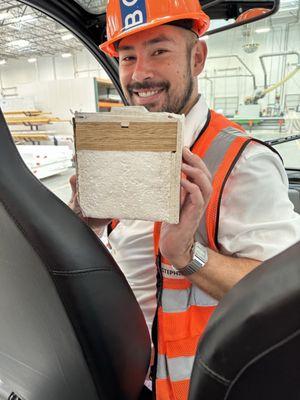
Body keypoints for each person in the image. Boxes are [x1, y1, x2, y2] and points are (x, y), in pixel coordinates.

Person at [69, 1, 300, 398]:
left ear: (197, 57)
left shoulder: (244, 162)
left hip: (195, 387)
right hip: (128, 376)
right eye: (128, 57)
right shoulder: (125, 145)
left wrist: (186, 255)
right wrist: (83, 221)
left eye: (159, 51)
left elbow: (284, 297)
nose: (140, 74)